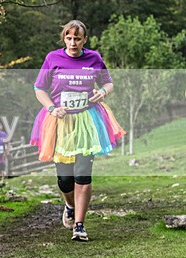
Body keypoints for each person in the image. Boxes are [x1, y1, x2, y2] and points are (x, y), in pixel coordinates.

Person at [30, 20, 125, 241]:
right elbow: (39, 88)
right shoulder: (53, 58)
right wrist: (52, 108)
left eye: (77, 38)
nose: (73, 43)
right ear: (64, 38)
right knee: (65, 179)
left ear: (84, 40)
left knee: (83, 174)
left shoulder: (94, 58)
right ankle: (70, 206)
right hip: (60, 121)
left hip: (87, 120)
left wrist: (103, 92)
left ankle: (79, 225)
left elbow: (108, 82)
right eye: (69, 38)